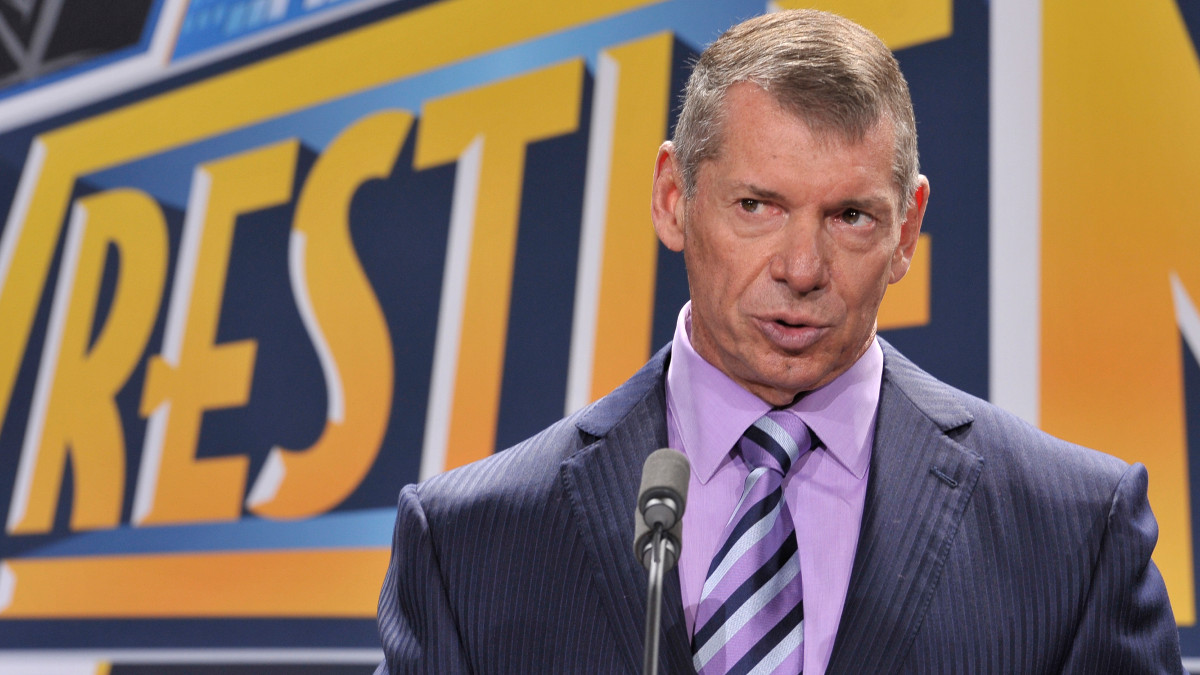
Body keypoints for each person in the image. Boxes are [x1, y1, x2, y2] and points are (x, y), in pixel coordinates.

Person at [374, 9, 1182, 674]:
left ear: (907, 231)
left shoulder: (1075, 534)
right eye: (757, 205)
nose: (801, 269)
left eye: (850, 216)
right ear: (672, 198)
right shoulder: (468, 543)